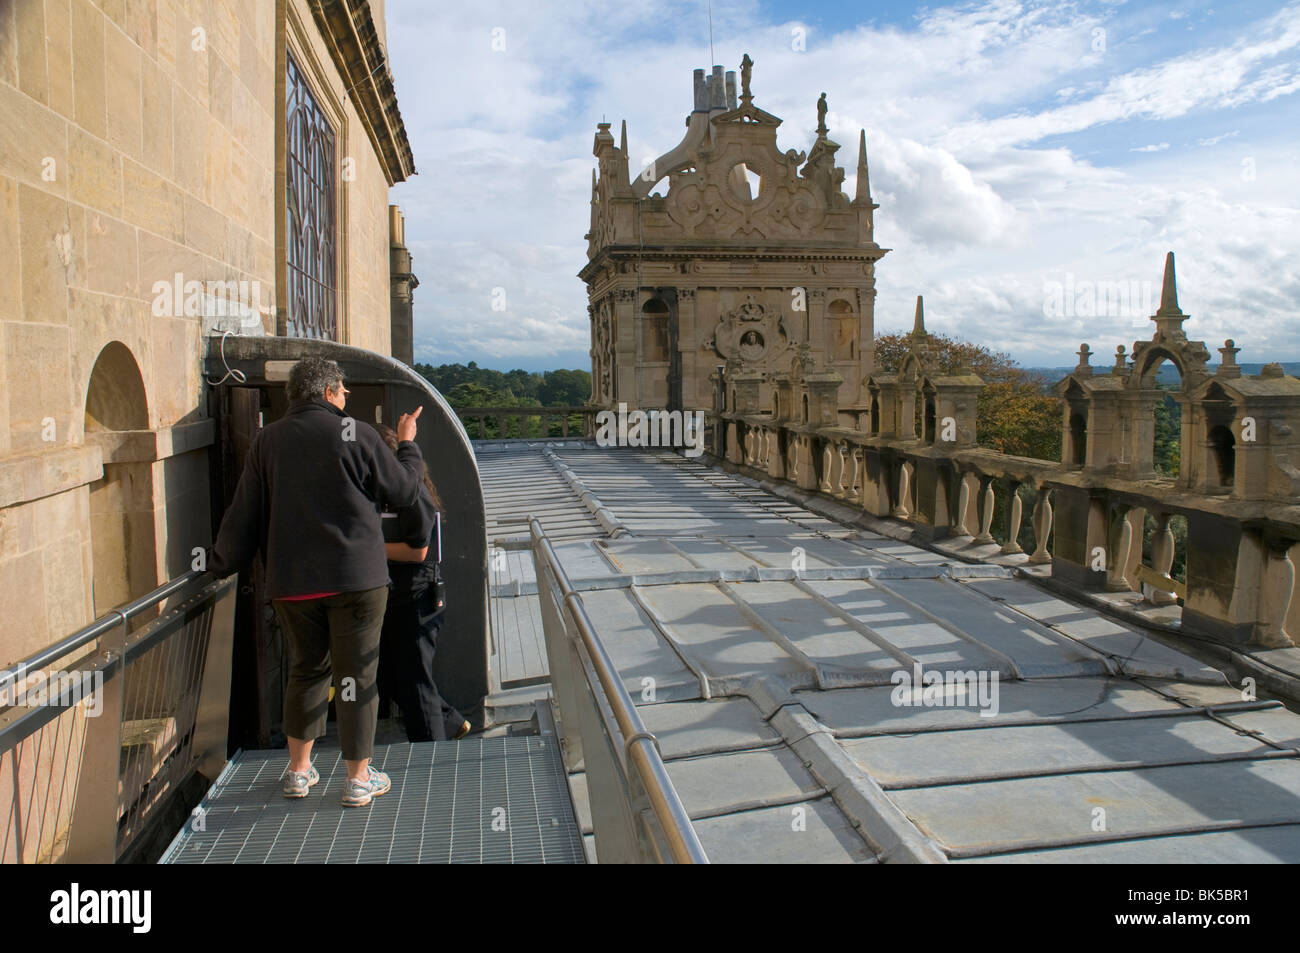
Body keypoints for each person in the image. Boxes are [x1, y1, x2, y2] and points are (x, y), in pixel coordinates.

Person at [209, 357, 425, 807]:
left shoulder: (267, 440)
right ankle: (358, 779)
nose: (346, 399)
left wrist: (219, 563)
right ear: (328, 392)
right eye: (343, 391)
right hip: (356, 580)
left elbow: (244, 510)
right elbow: (404, 491)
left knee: (307, 670)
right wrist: (407, 445)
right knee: (358, 677)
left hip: (292, 583)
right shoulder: (357, 433)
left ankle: (299, 771)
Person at [372, 423, 470, 742]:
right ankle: (451, 722)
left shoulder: (411, 492)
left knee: (415, 684)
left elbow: (419, 551)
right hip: (399, 596)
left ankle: (431, 761)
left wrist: (366, 545)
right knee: (396, 678)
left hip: (415, 598)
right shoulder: (392, 488)